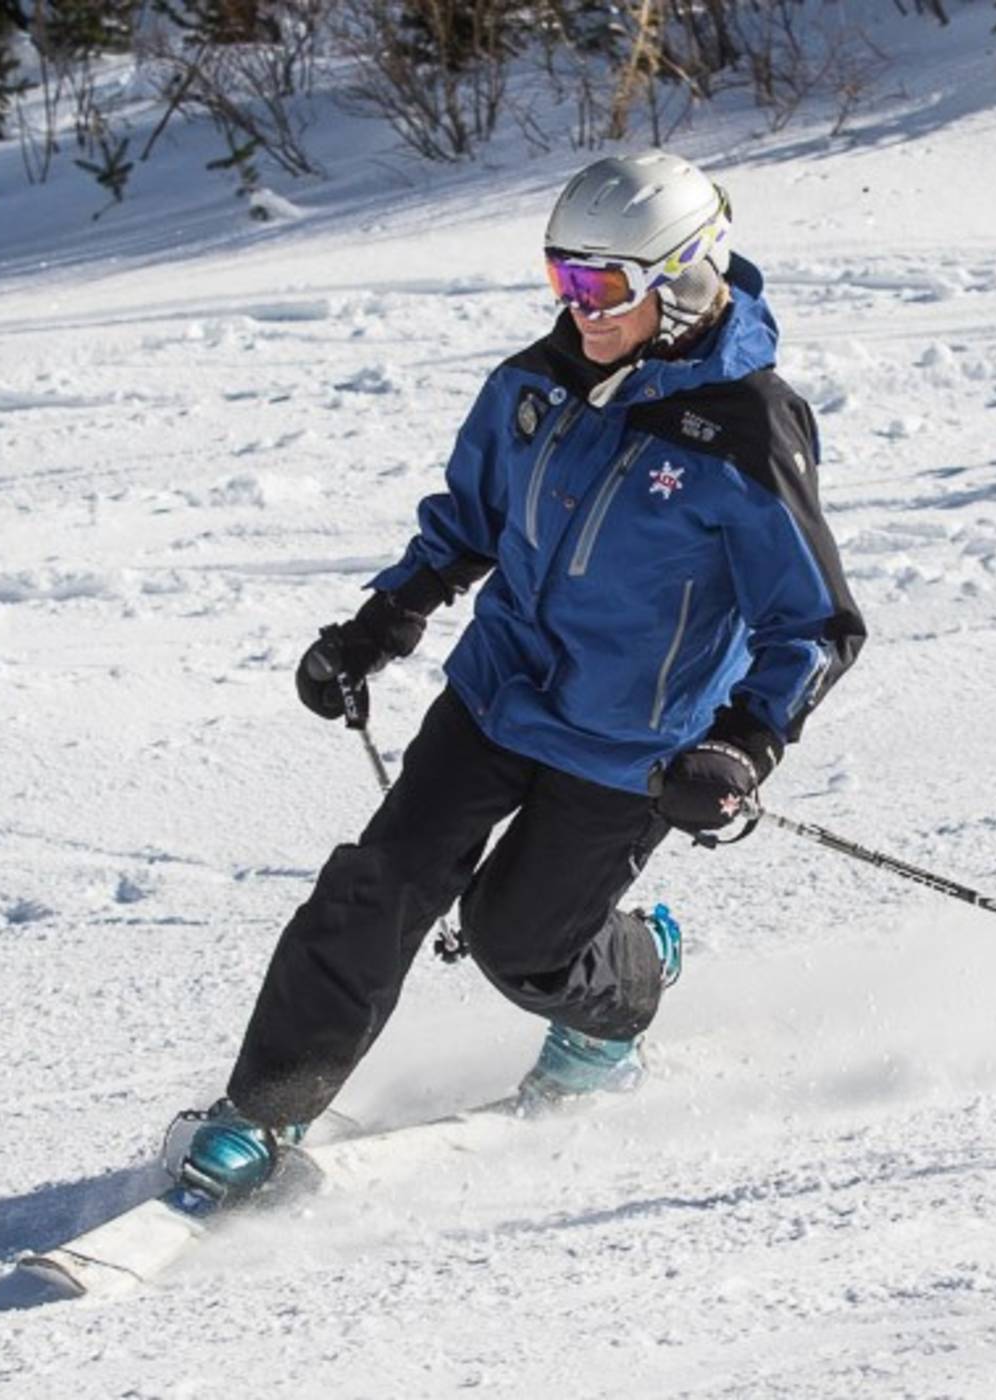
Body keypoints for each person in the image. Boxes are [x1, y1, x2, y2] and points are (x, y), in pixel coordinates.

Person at [173, 151, 865, 1201]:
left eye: (603, 285)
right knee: (378, 887)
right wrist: (379, 624)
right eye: (562, 278)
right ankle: (264, 1111)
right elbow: (471, 520)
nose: (578, 308)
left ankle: (625, 986)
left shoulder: (745, 431)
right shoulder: (536, 382)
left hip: (630, 743)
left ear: (681, 281)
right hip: (497, 693)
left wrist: (741, 745)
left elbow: (813, 624)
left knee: (520, 944)